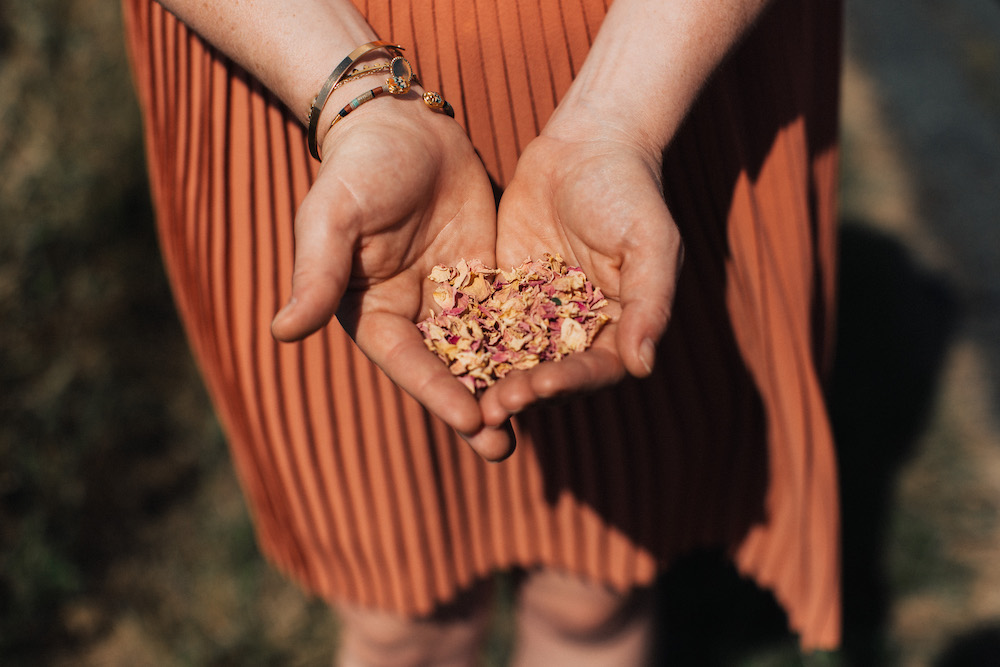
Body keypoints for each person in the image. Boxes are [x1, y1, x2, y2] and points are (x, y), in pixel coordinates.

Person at [123, 0, 843, 663]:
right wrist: (354, 101)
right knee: (398, 611)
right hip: (286, 55)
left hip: (663, 55)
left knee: (597, 588)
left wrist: (623, 117)